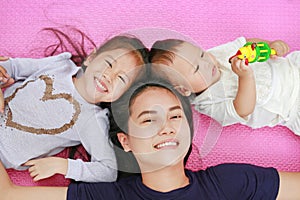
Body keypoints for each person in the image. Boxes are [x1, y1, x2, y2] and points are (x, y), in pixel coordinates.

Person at [0, 75, 299, 200]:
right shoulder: (111, 195)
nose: (167, 127)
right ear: (125, 141)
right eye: (148, 119)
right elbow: (9, 194)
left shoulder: (229, 182)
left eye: (175, 116)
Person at [0, 27, 149, 182]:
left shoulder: (92, 120)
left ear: (122, 95)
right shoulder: (59, 65)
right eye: (108, 64)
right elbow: (13, 67)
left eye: (122, 79)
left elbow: (108, 170)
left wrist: (62, 166)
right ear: (91, 57)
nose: (108, 76)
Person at [149, 37, 300, 136]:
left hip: (292, 66)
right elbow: (242, 110)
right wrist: (245, 77)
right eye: (196, 68)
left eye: (201, 54)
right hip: (290, 107)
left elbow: (246, 44)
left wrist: (269, 45)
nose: (206, 63)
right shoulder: (209, 103)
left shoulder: (215, 55)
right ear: (184, 89)